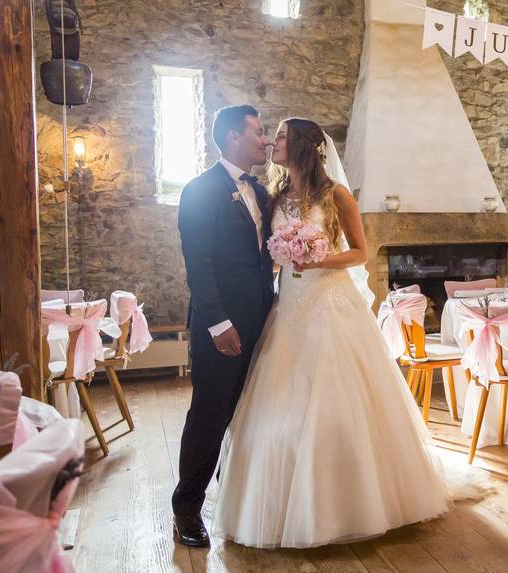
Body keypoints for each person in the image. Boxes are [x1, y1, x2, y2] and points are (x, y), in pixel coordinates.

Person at [212, 118, 486, 548]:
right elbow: (263, 254)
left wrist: (319, 260)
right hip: (290, 309)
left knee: (340, 399)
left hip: (332, 304)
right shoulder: (276, 197)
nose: (272, 142)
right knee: (282, 400)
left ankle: (359, 502)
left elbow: (360, 253)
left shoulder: (336, 194)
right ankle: (284, 503)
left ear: (302, 145)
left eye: (281, 136)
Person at [172, 105, 275, 547]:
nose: (265, 139)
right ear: (233, 136)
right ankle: (187, 509)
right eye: (257, 131)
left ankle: (233, 493)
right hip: (223, 326)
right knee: (210, 414)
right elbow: (199, 265)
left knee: (246, 410)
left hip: (263, 320)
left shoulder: (261, 191)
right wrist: (218, 324)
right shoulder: (200, 190)